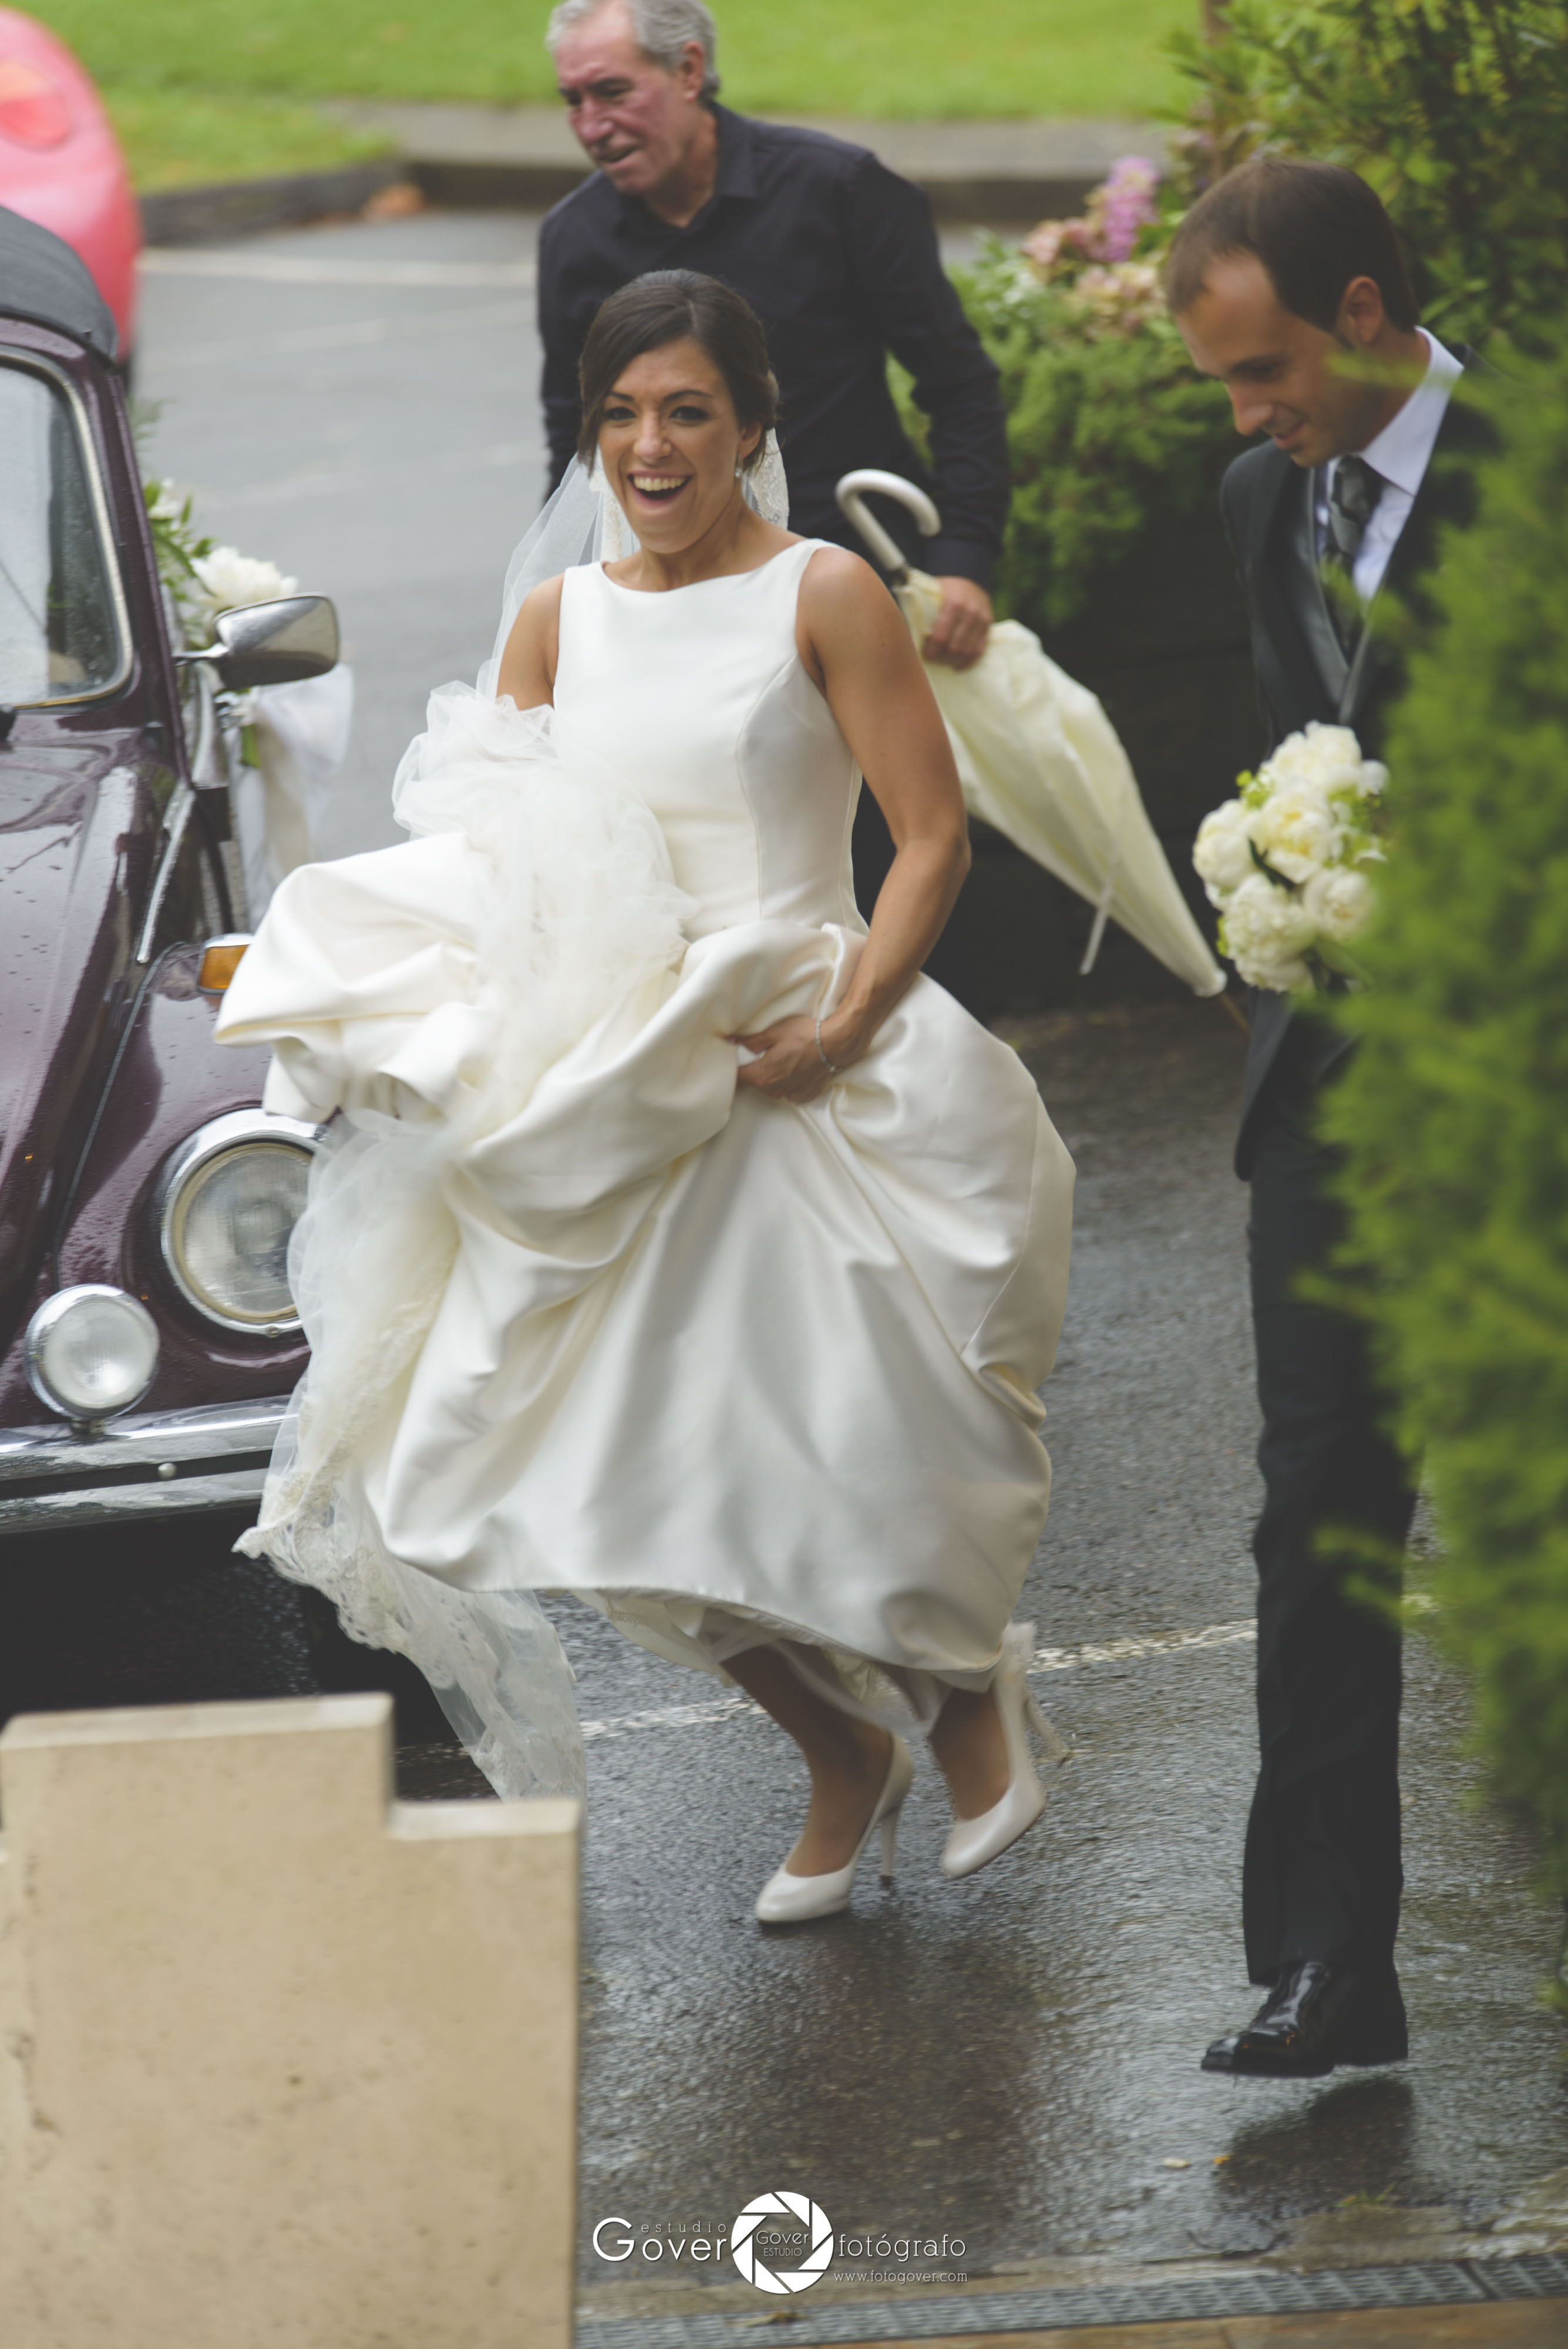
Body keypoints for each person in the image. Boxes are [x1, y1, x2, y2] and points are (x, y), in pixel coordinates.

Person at [217, 270, 1076, 1924]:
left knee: (852, 1426)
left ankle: (966, 1695)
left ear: (752, 426)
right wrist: (359, 976)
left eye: (687, 411)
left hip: (796, 1054)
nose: (649, 447)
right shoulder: (557, 620)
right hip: (612, 1080)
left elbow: (929, 837)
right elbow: (496, 860)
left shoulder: (825, 592)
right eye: (618, 415)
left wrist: (845, 1023)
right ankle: (841, 1747)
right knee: (588, 1473)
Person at [1167, 157, 1486, 2077]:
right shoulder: (1251, 503)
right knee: (1319, 1521)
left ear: (1363, 313)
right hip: (1328, 1097)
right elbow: (1295, 749)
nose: (1245, 417)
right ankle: (1325, 1965)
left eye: (1265, 370)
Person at [536, 1, 1006, 682]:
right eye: (572, 100)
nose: (590, 125)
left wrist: (963, 560)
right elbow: (573, 441)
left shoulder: (840, 190)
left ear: (689, 70)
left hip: (860, 580)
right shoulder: (572, 240)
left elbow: (958, 383)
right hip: (670, 614)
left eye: (612, 92)